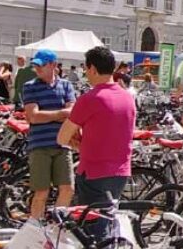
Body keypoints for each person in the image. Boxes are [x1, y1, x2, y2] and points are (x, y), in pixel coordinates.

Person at [58, 45, 137, 209]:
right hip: (121, 171)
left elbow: (62, 137)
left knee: (93, 228)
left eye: (86, 69)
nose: (86, 73)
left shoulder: (89, 99)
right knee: (108, 220)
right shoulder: (128, 98)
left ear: (92, 69)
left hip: (94, 171)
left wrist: (77, 142)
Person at [22, 48, 76, 217]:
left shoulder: (66, 85)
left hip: (63, 143)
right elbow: (33, 116)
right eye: (36, 66)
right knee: (41, 192)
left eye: (41, 65)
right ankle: (35, 228)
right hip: (40, 145)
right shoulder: (30, 87)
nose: (37, 69)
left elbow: (72, 113)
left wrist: (47, 115)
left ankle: (56, 225)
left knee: (68, 189)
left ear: (53, 65)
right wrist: (60, 114)